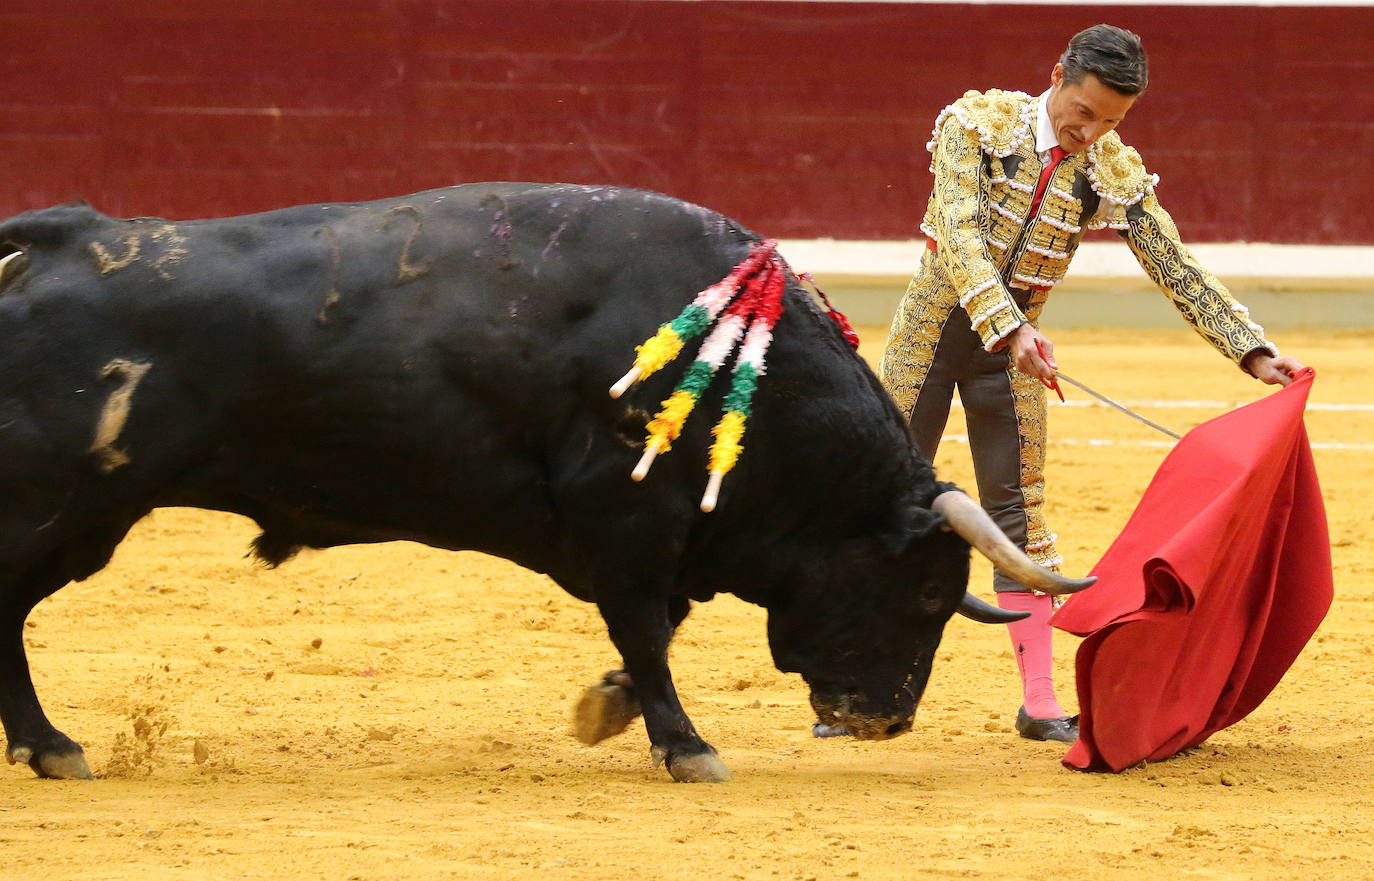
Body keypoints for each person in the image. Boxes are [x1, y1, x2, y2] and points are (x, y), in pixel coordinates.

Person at [863, 24, 1305, 744]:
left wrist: (1252, 352)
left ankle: (1038, 701)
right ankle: (873, 688)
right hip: (930, 343)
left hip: (1012, 360)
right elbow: (961, 234)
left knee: (1022, 515)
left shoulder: (1108, 166)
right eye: (1085, 111)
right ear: (1058, 74)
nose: (1090, 132)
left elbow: (1174, 262)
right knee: (882, 506)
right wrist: (1011, 326)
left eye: (1111, 122)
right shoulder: (976, 125)